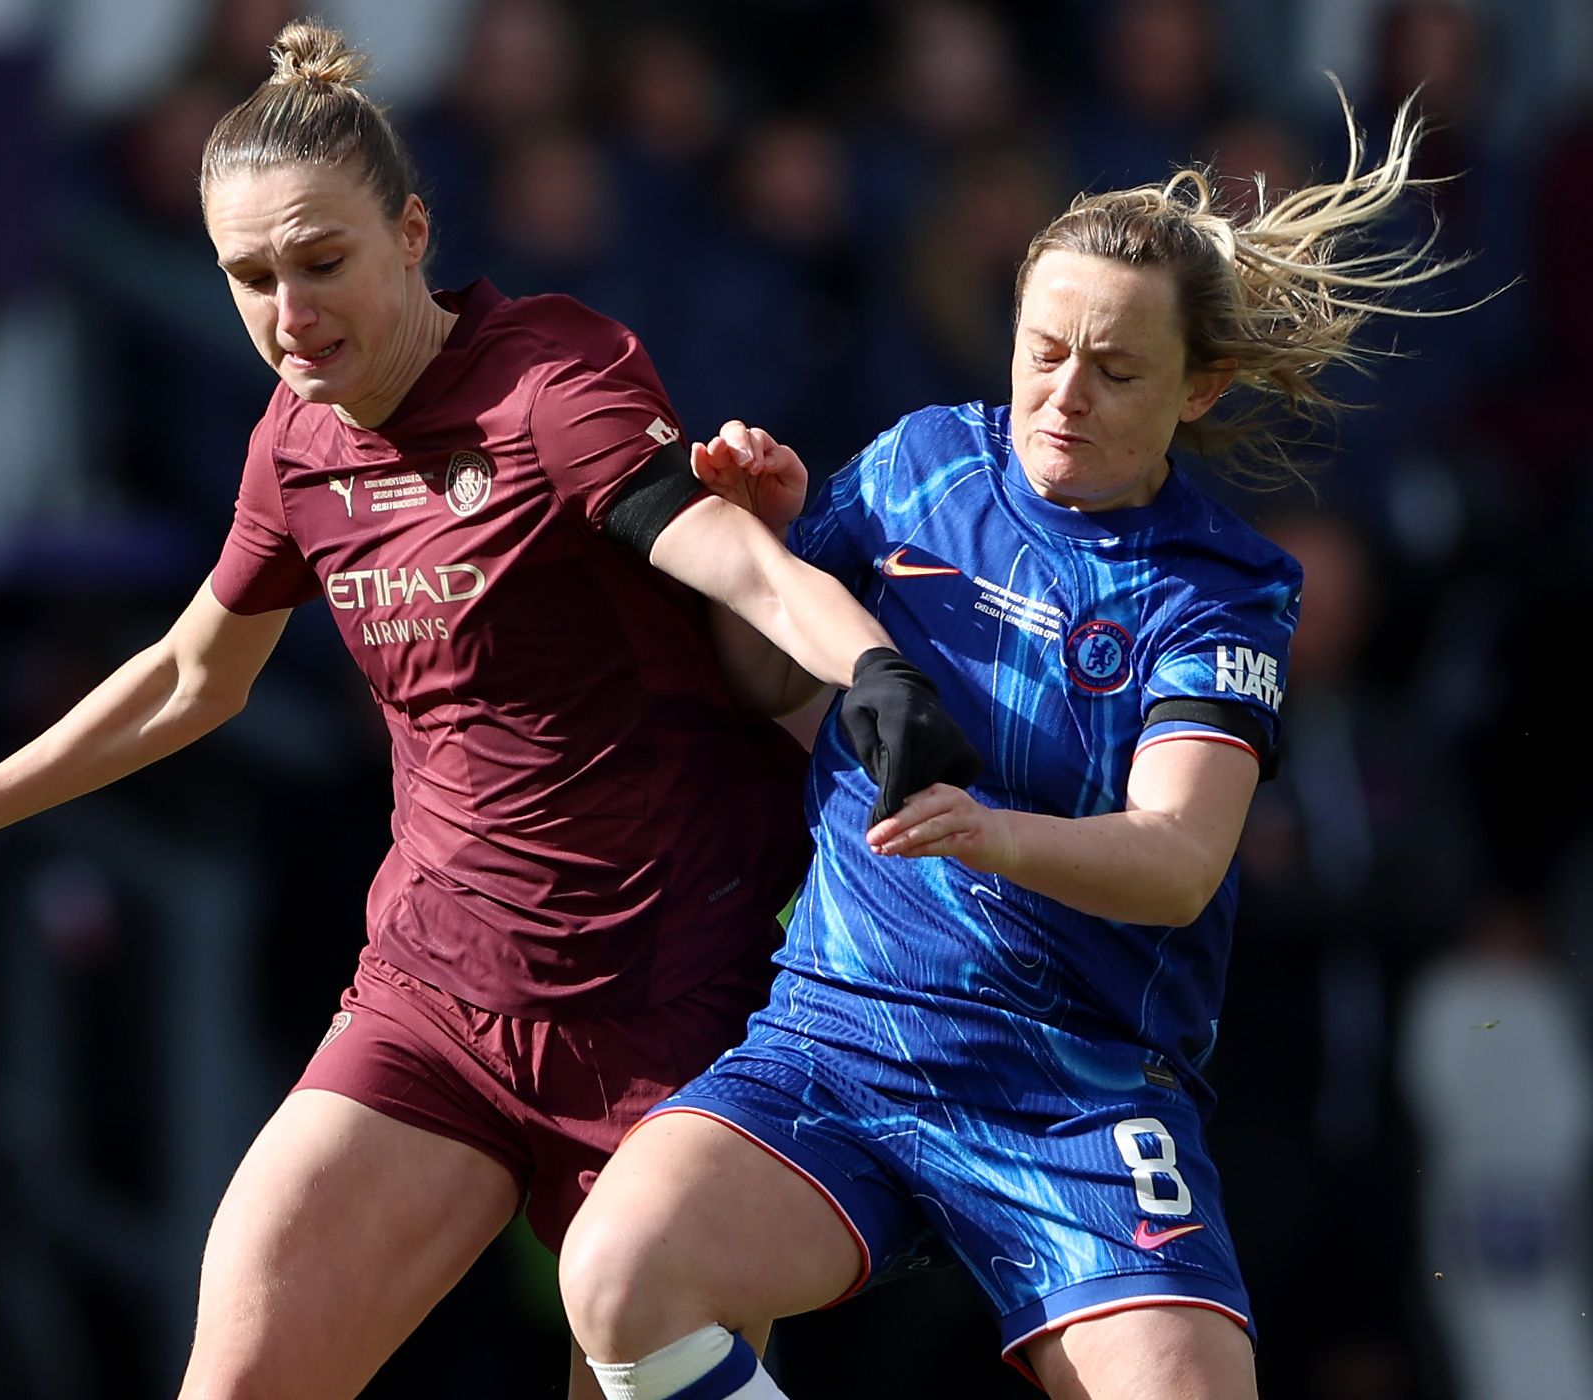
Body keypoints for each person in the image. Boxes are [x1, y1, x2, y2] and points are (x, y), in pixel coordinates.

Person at [0, 20, 977, 1400]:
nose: (289, 313)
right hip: (433, 1000)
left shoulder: (552, 380)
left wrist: (878, 671)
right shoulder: (295, 441)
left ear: (413, 231)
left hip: (670, 1017)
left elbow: (735, 559)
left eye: (321, 262)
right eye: (249, 277)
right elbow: (193, 676)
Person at [558, 94, 1474, 1400]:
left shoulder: (1223, 591)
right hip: (844, 1039)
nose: (1064, 396)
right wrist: (758, 541)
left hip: (1079, 1089)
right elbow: (770, 682)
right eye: (1043, 351)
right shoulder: (923, 462)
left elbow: (1177, 862)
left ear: (1200, 388)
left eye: (1116, 370)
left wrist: (991, 834)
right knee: (618, 1280)